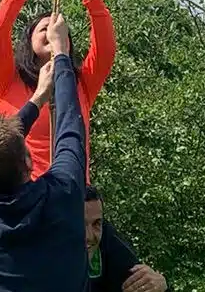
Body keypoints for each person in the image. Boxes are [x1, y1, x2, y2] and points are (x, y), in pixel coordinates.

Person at [0, 14, 89, 292]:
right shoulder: (60, 197)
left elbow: (69, 132)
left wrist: (38, 96)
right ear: (29, 162)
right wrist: (61, 54)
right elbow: (71, 128)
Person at [14, 63, 170, 292]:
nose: (90, 235)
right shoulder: (31, 242)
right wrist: (37, 99)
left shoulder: (105, 242)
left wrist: (161, 286)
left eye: (96, 224)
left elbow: (142, 282)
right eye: (81, 224)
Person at [0, 0, 115, 181]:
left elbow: (105, 48)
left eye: (59, 30)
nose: (52, 33)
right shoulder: (8, 81)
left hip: (70, 194)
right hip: (23, 194)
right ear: (29, 41)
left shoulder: (81, 84)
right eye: (44, 29)